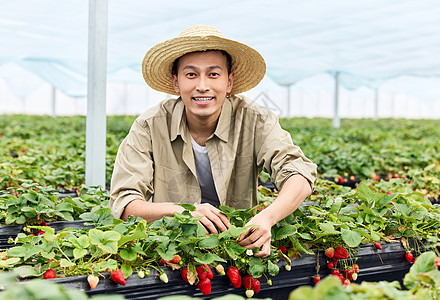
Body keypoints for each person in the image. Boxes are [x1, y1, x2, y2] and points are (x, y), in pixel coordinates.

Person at [110, 25, 317, 258]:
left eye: (213, 74)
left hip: (239, 245)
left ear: (229, 82)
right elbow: (126, 204)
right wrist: (184, 213)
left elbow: (298, 172)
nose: (202, 86)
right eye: (191, 74)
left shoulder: (255, 120)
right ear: (176, 83)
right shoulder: (149, 126)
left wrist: (267, 217)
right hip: (170, 248)